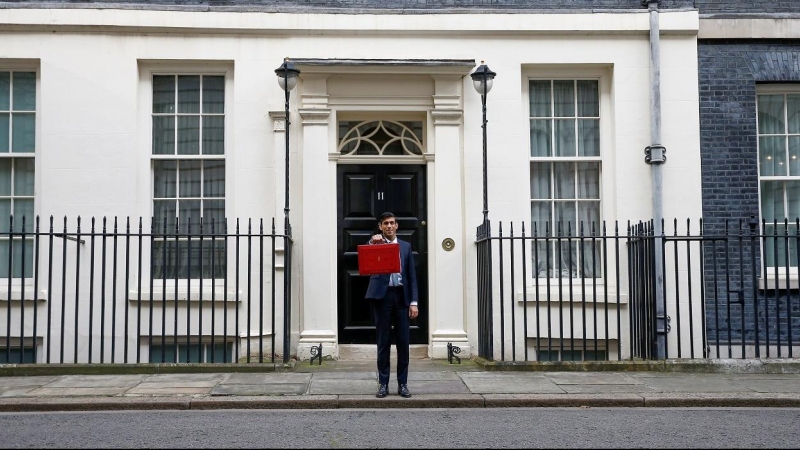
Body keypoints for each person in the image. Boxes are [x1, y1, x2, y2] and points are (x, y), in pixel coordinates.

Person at [364, 211, 419, 398]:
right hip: (383, 297)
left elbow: (411, 276)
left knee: (403, 343)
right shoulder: (375, 244)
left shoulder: (405, 247)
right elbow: (365, 260)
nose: (389, 226)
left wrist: (414, 302)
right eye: (385, 223)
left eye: (392, 223)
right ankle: (383, 384)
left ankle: (403, 384)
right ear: (380, 226)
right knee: (383, 342)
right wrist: (372, 243)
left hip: (402, 297)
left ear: (397, 226)